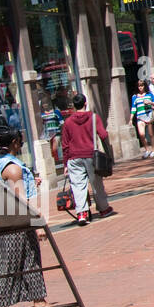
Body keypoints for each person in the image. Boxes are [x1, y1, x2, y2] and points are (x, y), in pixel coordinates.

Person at [0, 130, 47, 307]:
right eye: (19, 141)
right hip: (16, 223)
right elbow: (20, 201)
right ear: (14, 143)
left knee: (30, 260)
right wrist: (37, 222)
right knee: (8, 264)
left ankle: (39, 300)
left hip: (6, 221)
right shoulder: (13, 168)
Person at [59, 93, 115, 225]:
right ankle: (103, 209)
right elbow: (103, 134)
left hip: (74, 158)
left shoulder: (68, 122)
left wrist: (65, 163)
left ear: (74, 106)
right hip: (91, 155)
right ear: (85, 103)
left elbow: (65, 145)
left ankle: (82, 213)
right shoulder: (94, 118)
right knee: (96, 184)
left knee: (78, 186)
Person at [130, 80, 154, 158]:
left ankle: (153, 150)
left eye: (142, 85)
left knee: (151, 134)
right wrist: (131, 119)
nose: (140, 87)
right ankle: (147, 150)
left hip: (149, 115)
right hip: (140, 116)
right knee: (141, 134)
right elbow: (133, 108)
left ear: (144, 86)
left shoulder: (149, 94)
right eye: (139, 86)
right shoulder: (134, 96)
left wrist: (150, 102)